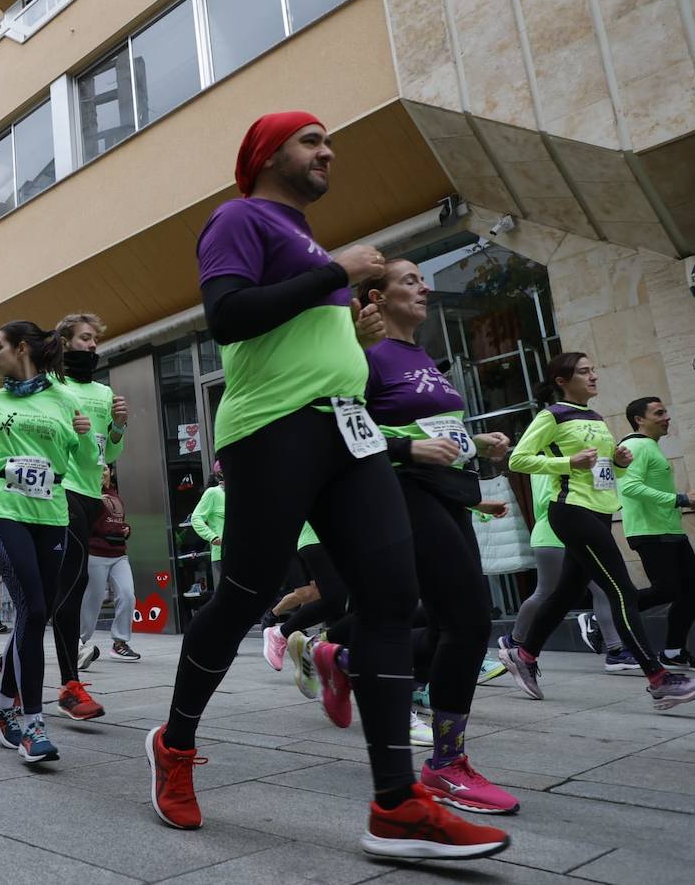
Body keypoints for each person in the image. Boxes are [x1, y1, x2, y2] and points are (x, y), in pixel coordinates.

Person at [146, 111, 510, 859]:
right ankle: (175, 746)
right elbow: (228, 317)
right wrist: (336, 273)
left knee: (387, 595)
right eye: (312, 140)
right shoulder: (239, 218)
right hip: (272, 428)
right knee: (244, 593)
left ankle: (396, 805)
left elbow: (309, 338)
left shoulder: (313, 247)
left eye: (329, 141)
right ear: (266, 153)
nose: (329, 152)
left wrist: (357, 332)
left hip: (351, 429)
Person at [336, 259, 518, 814]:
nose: (425, 288)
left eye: (422, 280)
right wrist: (406, 448)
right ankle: (445, 764)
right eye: (410, 281)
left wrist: (474, 442)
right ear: (376, 296)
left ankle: (345, 656)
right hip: (402, 490)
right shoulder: (363, 357)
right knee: (469, 619)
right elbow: (344, 422)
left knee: (449, 625)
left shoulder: (423, 359)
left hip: (449, 492)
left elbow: (433, 426)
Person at [500, 353, 695, 710]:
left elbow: (602, 471)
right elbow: (518, 460)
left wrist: (619, 463)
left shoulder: (595, 418)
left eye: (594, 370)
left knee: (564, 593)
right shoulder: (551, 416)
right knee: (621, 589)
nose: (594, 377)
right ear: (562, 379)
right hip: (571, 510)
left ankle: (524, 654)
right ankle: (658, 677)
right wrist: (565, 461)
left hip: (600, 510)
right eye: (585, 372)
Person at [0, 320, 94, 763]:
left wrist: (87, 434)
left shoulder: (64, 398)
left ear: (22, 348)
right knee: (34, 609)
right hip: (3, 507)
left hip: (52, 511)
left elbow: (91, 460)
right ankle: (32, 724)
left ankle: (0, 705)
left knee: (36, 612)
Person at [49, 312, 126, 717]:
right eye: (84, 339)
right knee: (73, 582)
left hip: (90, 493)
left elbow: (107, 454)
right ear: (64, 343)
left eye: (95, 340)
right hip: (60, 490)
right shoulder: (51, 386)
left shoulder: (102, 391)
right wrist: (69, 430)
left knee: (57, 587)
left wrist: (117, 428)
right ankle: (69, 685)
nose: (92, 346)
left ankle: (11, 664)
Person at [511, 474, 633, 671]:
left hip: (574, 535)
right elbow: (546, 501)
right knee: (547, 592)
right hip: (553, 537)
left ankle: (615, 650)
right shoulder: (546, 464)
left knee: (598, 589)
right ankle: (514, 641)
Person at [617, 397, 695, 667]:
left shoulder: (650, 446)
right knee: (666, 590)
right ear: (640, 419)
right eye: (659, 413)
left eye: (666, 412)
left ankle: (673, 652)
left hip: (670, 530)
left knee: (691, 592)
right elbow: (629, 488)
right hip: (650, 532)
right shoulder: (635, 446)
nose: (666, 417)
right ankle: (602, 619)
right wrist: (681, 499)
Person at [83, 465, 140, 662]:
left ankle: (120, 643)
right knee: (93, 600)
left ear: (111, 472)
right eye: (97, 468)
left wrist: (125, 529)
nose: (101, 471)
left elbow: (117, 521)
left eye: (105, 468)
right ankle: (79, 643)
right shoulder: (87, 492)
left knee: (127, 595)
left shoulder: (115, 494)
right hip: (95, 552)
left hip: (118, 553)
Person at [188, 466, 224, 598]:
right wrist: (212, 537)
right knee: (233, 592)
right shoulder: (212, 493)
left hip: (243, 551)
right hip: (223, 554)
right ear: (220, 473)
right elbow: (196, 518)